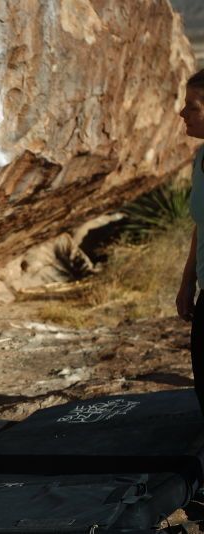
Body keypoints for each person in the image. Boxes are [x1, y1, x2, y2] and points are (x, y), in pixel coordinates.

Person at [176, 68, 204, 412]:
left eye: (192, 106)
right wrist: (187, 281)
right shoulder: (199, 159)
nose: (182, 113)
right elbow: (202, 224)